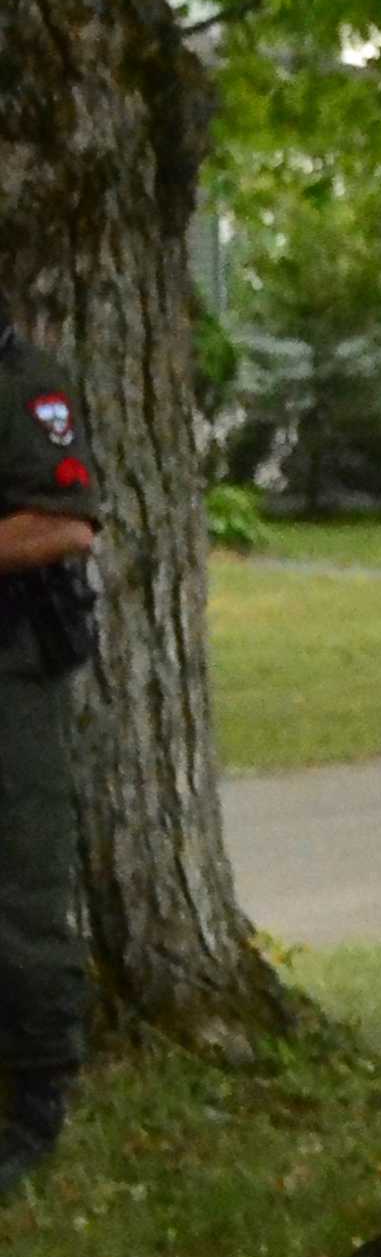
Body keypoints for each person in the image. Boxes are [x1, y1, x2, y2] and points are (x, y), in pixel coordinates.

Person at [0, 310, 98, 1202]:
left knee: (22, 890)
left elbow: (65, 525)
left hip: (11, 675)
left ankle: (35, 1105)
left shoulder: (25, 383)